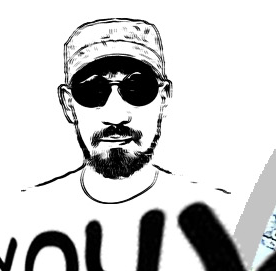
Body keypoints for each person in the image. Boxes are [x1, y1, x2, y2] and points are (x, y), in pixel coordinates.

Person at [29, 17, 230, 207]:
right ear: (67, 103)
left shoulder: (224, 214)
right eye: (93, 91)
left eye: (137, 89)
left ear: (164, 97)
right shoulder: (26, 213)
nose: (116, 116)